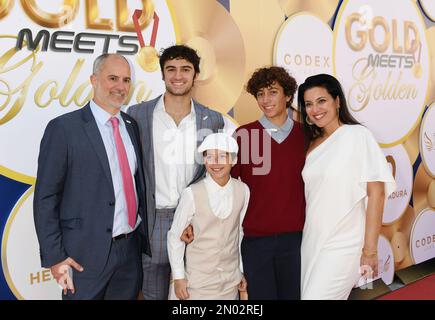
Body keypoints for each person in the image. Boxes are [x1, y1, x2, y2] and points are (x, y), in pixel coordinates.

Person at [33, 53, 150, 300]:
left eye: (126, 80)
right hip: (83, 258)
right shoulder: (64, 129)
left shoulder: (131, 125)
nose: (121, 87)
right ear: (94, 80)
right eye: (113, 78)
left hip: (129, 253)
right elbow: (45, 198)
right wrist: (55, 257)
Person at [127, 44, 235, 300]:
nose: (178, 75)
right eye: (171, 69)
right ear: (162, 74)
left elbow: (215, 172)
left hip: (196, 222)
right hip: (153, 219)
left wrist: (197, 218)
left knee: (193, 293)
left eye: (186, 69)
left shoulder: (213, 120)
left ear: (195, 75)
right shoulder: (138, 114)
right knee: (152, 293)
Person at [297, 73, 396, 300]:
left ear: (337, 101)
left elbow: (377, 193)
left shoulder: (358, 136)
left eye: (321, 101)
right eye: (309, 104)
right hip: (312, 240)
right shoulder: (311, 144)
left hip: (345, 243)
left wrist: (369, 251)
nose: (315, 109)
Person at [167, 133, 249, 300]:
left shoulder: (243, 190)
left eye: (222, 156)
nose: (215, 162)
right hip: (197, 283)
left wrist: (240, 270)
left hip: (229, 282)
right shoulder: (192, 194)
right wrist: (178, 277)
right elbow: (175, 236)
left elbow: (239, 234)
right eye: (209, 156)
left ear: (233, 160)